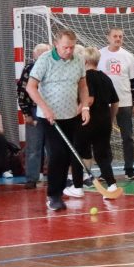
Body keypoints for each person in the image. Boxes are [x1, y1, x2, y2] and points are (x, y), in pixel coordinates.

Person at [25, 29, 91, 211]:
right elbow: (31, 87)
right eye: (65, 47)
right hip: (49, 117)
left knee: (68, 155)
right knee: (57, 154)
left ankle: (59, 192)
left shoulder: (77, 60)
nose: (68, 51)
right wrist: (44, 107)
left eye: (71, 47)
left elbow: (83, 86)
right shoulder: (45, 60)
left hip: (70, 115)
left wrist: (84, 106)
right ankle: (53, 195)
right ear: (56, 44)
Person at [99, 27, 134, 180]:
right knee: (103, 138)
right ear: (107, 37)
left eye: (120, 36)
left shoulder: (128, 56)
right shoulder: (99, 55)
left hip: (124, 103)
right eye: (115, 36)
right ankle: (105, 171)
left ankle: (129, 169)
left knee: (127, 137)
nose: (118, 39)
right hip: (104, 104)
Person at [77, 47, 119, 191]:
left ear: (86, 61)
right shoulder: (106, 78)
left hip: (89, 120)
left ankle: (80, 181)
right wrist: (111, 118)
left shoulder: (86, 77)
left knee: (81, 149)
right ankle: (111, 183)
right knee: (102, 153)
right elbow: (115, 102)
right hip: (105, 120)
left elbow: (89, 99)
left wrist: (78, 111)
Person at [17, 43, 51, 189]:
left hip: (52, 110)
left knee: (52, 145)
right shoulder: (29, 69)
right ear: (34, 56)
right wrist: (26, 113)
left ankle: (54, 175)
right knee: (34, 146)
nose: (44, 56)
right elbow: (22, 92)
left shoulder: (54, 67)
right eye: (41, 54)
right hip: (34, 109)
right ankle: (32, 177)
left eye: (46, 53)